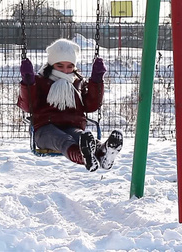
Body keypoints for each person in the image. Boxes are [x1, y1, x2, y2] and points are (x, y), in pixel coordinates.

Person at [17, 38, 123, 172]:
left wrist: (97, 80)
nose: (65, 71)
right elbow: (28, 106)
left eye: (70, 66)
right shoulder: (40, 81)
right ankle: (84, 157)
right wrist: (27, 83)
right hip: (45, 130)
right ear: (51, 64)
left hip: (72, 126)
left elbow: (91, 105)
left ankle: (104, 153)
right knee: (64, 140)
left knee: (82, 138)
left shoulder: (77, 82)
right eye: (59, 66)